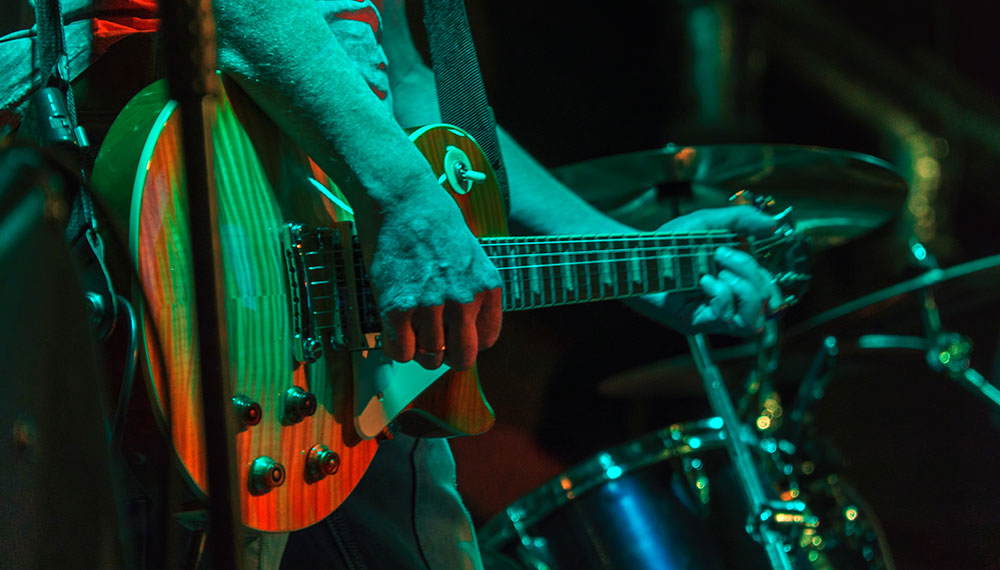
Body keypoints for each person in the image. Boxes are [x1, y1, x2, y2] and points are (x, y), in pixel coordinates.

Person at [2, 1, 783, 568]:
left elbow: (408, 80)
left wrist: (630, 255)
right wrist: (403, 197)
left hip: (349, 294)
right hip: (169, 207)